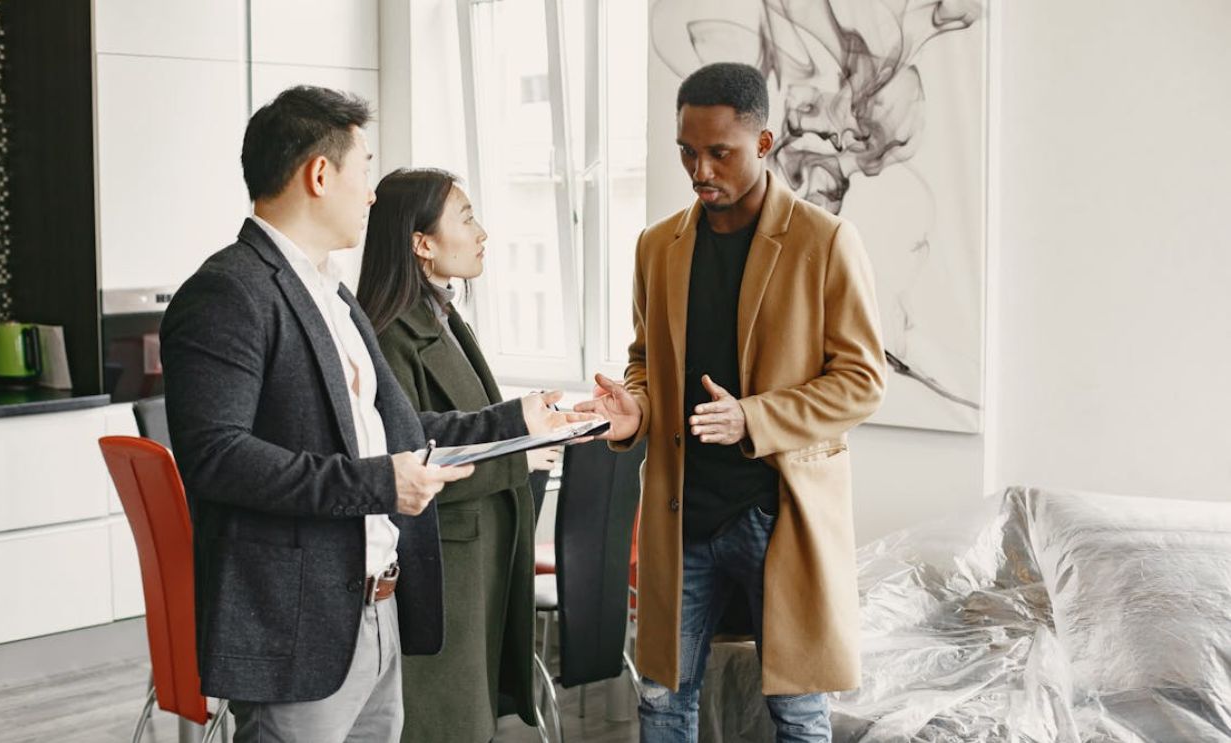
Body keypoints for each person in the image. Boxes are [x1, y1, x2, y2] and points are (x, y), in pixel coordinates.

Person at [160, 86, 580, 743]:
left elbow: (401, 432)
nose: (372, 192)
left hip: (378, 610)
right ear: (319, 175)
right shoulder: (228, 291)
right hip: (299, 625)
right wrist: (379, 484)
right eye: (365, 170)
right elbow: (218, 457)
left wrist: (514, 422)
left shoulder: (332, 294)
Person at [574, 62, 887, 742]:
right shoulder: (657, 246)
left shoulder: (824, 241)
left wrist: (754, 416)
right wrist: (636, 408)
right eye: (688, 151)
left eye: (720, 152)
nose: (699, 169)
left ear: (764, 143)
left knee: (798, 714)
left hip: (778, 514)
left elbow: (862, 379)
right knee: (661, 699)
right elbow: (644, 361)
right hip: (679, 514)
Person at [355, 168, 558, 741]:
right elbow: (410, 454)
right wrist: (521, 452)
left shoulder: (441, 317)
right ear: (422, 243)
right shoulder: (390, 331)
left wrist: (534, 439)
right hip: (443, 572)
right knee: (445, 725)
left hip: (476, 561)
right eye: (466, 219)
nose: (482, 233)